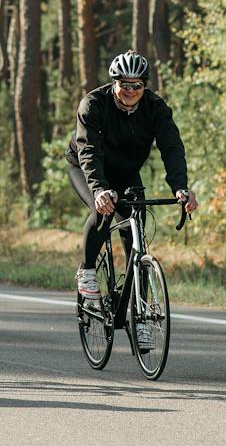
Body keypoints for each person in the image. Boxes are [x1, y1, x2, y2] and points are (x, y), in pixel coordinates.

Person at [66, 51, 192, 297]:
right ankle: (87, 270)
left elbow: (172, 149)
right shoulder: (93, 104)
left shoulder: (155, 108)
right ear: (114, 83)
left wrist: (180, 187)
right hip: (85, 168)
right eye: (124, 84)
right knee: (104, 208)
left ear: (144, 86)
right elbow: (89, 152)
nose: (130, 90)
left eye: (136, 85)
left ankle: (136, 302)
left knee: (136, 229)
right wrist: (99, 189)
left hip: (126, 172)